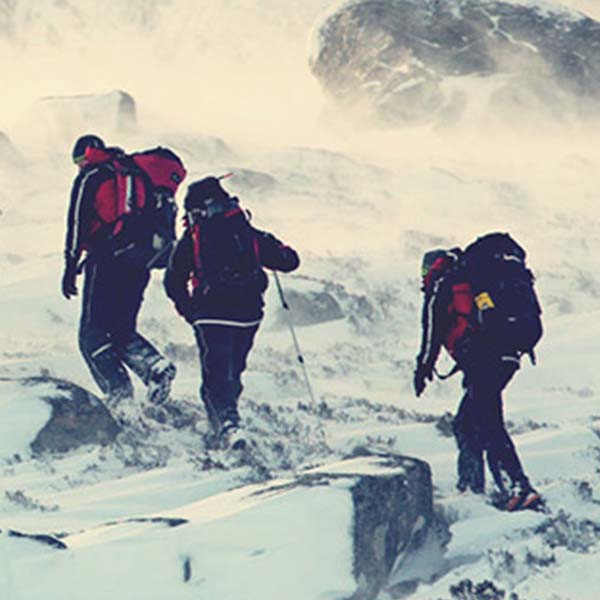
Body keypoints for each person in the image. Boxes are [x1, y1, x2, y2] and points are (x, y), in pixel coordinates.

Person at [164, 176, 300, 448]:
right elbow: (289, 261)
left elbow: (173, 280)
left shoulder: (194, 236)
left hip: (211, 314)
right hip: (248, 314)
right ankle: (227, 423)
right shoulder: (246, 231)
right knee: (233, 371)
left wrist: (191, 311)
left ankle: (226, 426)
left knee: (215, 373)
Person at [414, 236, 543, 512]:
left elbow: (431, 331)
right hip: (508, 353)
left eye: (424, 271)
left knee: (486, 421)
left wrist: (423, 368)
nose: (423, 278)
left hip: (485, 357)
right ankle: (473, 487)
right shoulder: (476, 278)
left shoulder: (444, 284)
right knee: (468, 421)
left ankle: (517, 487)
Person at [61, 134, 177, 409]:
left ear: (88, 155)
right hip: (138, 262)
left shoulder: (93, 176)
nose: (79, 167)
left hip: (105, 261)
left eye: (79, 160)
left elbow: (77, 223)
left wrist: (70, 264)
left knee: (92, 333)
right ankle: (155, 367)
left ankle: (119, 396)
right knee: (121, 329)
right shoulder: (134, 174)